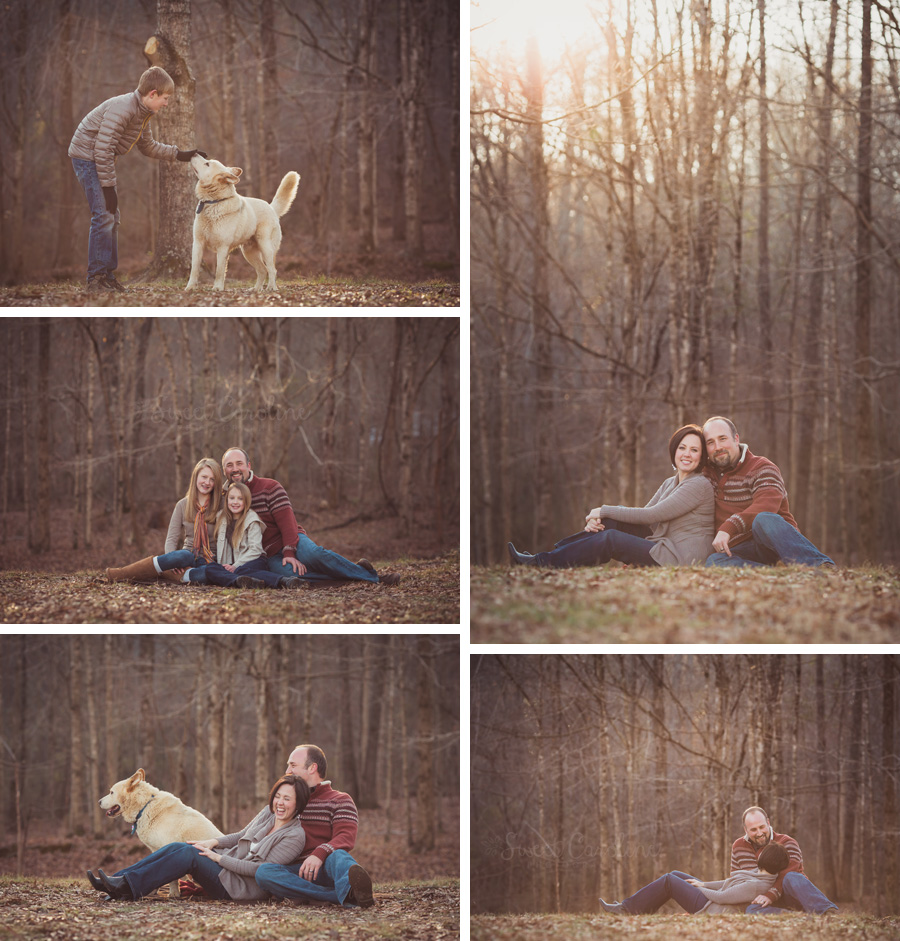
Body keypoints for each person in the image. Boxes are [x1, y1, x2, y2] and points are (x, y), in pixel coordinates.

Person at [68, 66, 207, 293]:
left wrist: (182, 154)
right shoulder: (123, 109)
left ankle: (107, 276)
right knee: (103, 214)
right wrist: (109, 188)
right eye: (164, 98)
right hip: (86, 158)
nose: (166, 103)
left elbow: (148, 146)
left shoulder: (143, 113)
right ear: (152, 94)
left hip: (99, 159)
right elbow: (102, 150)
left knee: (113, 216)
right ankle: (96, 279)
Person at [507, 424, 714, 569]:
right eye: (682, 448)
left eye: (694, 450)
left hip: (681, 558)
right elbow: (644, 520)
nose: (687, 454)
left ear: (701, 456)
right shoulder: (671, 482)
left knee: (611, 539)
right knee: (611, 524)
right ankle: (549, 557)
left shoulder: (698, 485)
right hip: (664, 545)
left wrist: (602, 510)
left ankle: (542, 563)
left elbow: (651, 515)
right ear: (674, 450)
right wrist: (603, 519)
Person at [86, 775, 309, 902]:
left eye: (287, 799)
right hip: (225, 870)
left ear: (298, 804)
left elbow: (261, 871)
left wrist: (218, 859)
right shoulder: (269, 812)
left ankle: (125, 887)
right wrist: (214, 843)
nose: (279, 802)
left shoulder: (295, 836)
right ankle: (118, 880)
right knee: (178, 847)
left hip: (240, 889)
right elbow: (241, 836)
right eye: (277, 796)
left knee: (187, 852)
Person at [220, 447, 401, 586]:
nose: (235, 469)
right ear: (224, 471)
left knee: (313, 556)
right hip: (268, 555)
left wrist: (289, 551)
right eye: (229, 465)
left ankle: (374, 577)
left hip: (292, 539)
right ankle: (354, 576)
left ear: (248, 466)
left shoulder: (270, 487)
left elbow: (288, 522)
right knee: (291, 574)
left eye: (239, 463)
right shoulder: (226, 498)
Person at [701, 417, 835, 569]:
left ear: (736, 439)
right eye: (710, 442)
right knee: (714, 561)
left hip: (775, 544)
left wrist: (729, 526)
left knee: (764, 519)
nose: (718, 447)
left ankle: (818, 564)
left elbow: (766, 505)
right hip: (741, 551)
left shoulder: (762, 467)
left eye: (722, 439)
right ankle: (776, 571)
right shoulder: (706, 475)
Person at [255, 744, 375, 909]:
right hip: (294, 872)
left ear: (312, 768)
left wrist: (319, 854)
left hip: (326, 868)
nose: (287, 770)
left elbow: (346, 837)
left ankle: (348, 891)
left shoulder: (340, 799)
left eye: (292, 765)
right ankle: (339, 896)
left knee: (339, 856)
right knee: (264, 872)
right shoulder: (289, 801)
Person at [105, 457, 222, 584]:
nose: (207, 482)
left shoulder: (220, 505)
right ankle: (121, 573)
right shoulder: (183, 505)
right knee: (182, 556)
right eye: (204, 477)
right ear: (196, 477)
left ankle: (178, 575)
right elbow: (172, 537)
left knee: (210, 572)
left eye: (212, 479)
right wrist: (172, 562)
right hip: (187, 557)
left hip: (210, 559)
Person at [600, 841, 791, 915]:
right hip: (712, 900)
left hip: (711, 908)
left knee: (669, 881)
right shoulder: (762, 875)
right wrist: (703, 883)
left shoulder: (756, 885)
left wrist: (699, 888)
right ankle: (638, 908)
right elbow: (726, 884)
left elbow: (722, 897)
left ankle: (627, 909)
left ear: (766, 858)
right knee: (676, 875)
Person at [732, 806, 837, 915]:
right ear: (745, 829)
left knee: (791, 877)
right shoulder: (738, 846)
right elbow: (736, 878)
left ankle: (826, 911)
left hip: (790, 896)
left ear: (768, 822)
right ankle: (796, 915)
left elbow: (788, 872)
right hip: (764, 901)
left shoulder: (787, 842)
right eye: (753, 830)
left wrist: (771, 895)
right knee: (751, 910)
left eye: (762, 827)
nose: (759, 833)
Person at [199, 481, 303, 589]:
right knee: (210, 568)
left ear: (246, 501)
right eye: (232, 498)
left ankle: (283, 581)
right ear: (227, 500)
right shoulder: (221, 518)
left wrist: (235, 566)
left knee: (241, 570)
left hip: (254, 560)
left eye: (240, 499)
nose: (235, 502)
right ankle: (241, 581)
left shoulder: (252, 519)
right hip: (231, 564)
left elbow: (256, 549)